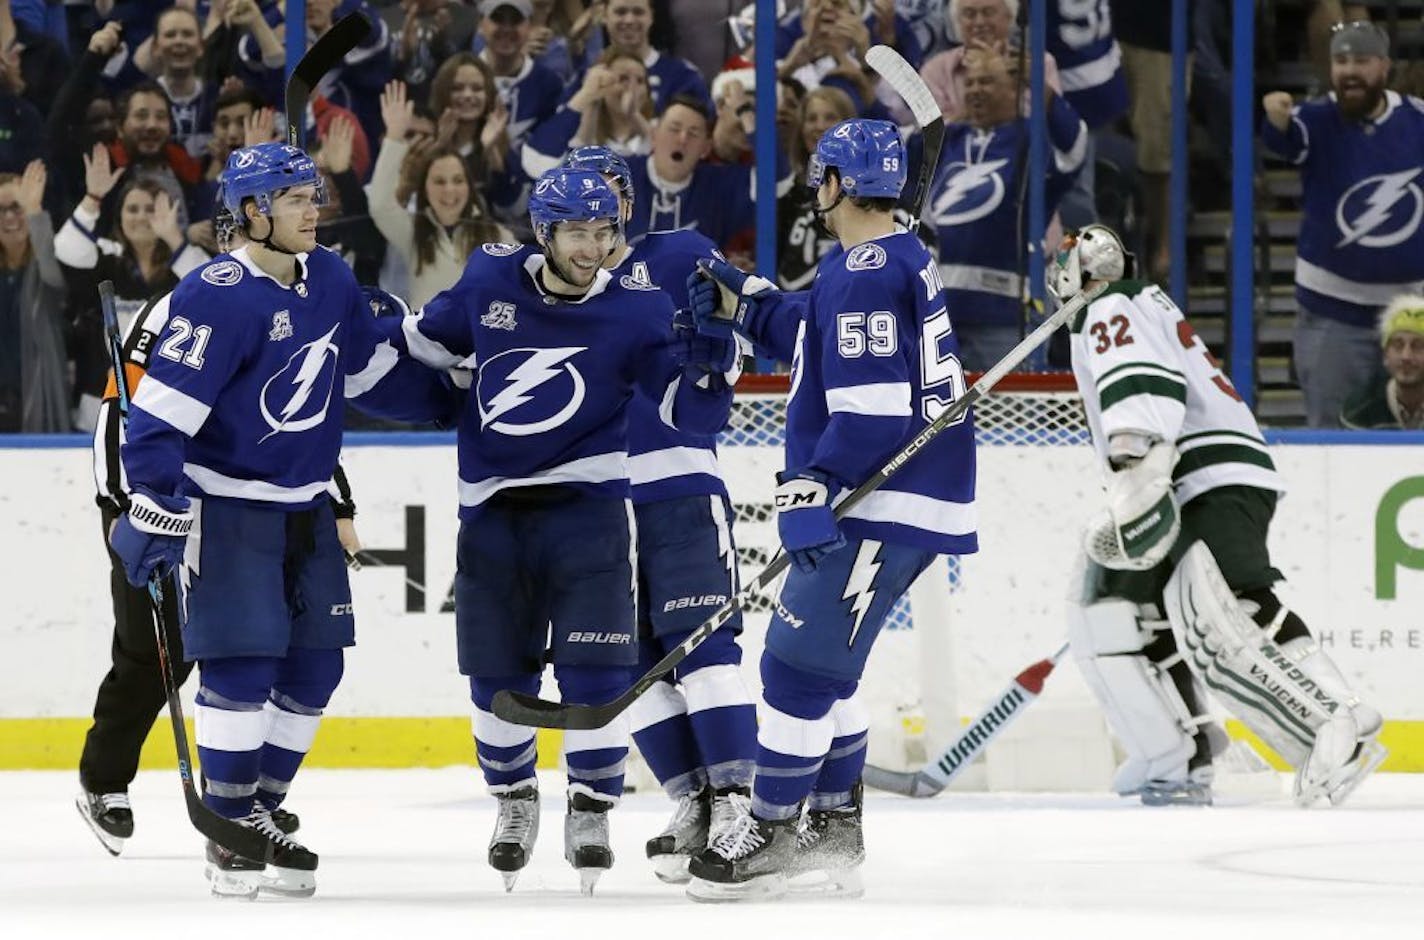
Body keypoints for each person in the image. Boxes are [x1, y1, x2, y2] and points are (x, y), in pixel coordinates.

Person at [106, 141, 452, 898]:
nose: (314, 212)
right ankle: (229, 834)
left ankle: (257, 810)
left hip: (307, 506)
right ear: (252, 213)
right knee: (243, 663)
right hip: (228, 509)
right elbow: (159, 416)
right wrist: (156, 504)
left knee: (316, 666)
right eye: (297, 200)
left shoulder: (327, 276)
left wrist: (450, 403)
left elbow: (363, 369)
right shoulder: (215, 295)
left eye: (314, 197)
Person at [379, 167, 736, 895]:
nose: (593, 247)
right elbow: (420, 347)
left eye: (605, 232)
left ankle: (591, 804)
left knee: (598, 674)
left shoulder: (638, 311)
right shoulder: (488, 280)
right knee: (495, 677)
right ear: (544, 231)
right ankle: (514, 802)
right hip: (493, 512)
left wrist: (711, 352)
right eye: (578, 231)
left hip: (590, 509)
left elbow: (697, 414)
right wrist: (364, 333)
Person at [685, 119, 978, 900]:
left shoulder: (863, 272)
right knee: (830, 670)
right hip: (899, 494)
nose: (816, 192)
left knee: (794, 671)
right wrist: (751, 303)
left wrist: (812, 483)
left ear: (838, 184)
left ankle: (774, 831)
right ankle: (835, 825)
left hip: (878, 495)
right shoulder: (886, 260)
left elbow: (875, 405)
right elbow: (819, 334)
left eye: (821, 179)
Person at [1048, 224, 1387, 809]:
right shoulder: (1129, 303)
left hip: (1201, 472)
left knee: (1231, 609)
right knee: (1110, 610)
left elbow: (1143, 389)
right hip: (1190, 474)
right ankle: (1177, 754)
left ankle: (1338, 721)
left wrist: (1137, 465)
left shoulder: (1112, 305)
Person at [562, 145, 757, 884]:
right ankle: (695, 802)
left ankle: (741, 804)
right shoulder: (545, 286)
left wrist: (710, 344)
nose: (594, 214)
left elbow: (732, 355)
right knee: (632, 669)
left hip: (678, 487)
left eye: (607, 195)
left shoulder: (681, 255)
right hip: (597, 502)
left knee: (703, 651)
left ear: (628, 204)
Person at [1261, 20, 1424, 428]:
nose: (1350, 71)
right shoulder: (1316, 119)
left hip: (1412, 317)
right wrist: (1276, 119)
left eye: (1361, 61)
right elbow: (1285, 141)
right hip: (1332, 317)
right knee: (1332, 440)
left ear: (1384, 67)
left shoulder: (1418, 122)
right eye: (1340, 61)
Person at [924, 46, 1086, 371]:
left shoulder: (1032, 139)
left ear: (1015, 88)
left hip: (1004, 315)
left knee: (1009, 418)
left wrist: (1045, 92)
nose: (975, 90)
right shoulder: (950, 138)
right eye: (969, 83)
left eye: (986, 82)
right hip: (938, 315)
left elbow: (1075, 150)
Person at [0, 160, 66, 433]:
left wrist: (35, 211)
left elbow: (54, 276)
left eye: (17, 207)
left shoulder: (48, 267)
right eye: (0, 210)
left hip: (38, 401)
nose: (9, 218)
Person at [1341, 295, 1424, 429]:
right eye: (1398, 345)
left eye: (1418, 346)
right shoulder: (1359, 409)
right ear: (1385, 355)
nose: (1406, 356)